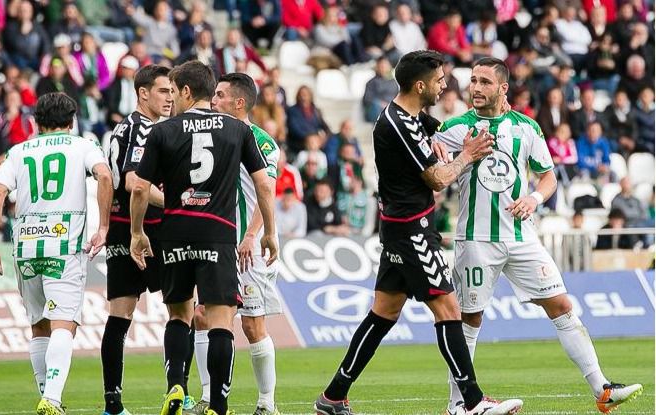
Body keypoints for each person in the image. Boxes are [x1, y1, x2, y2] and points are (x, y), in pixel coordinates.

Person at [313, 50, 522, 415]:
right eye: (440, 81)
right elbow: (439, 179)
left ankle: (333, 395)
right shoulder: (398, 124)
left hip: (400, 226)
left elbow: (425, 127)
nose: (445, 86)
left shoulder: (409, 117)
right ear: (420, 84)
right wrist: (467, 154)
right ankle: (472, 403)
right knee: (447, 306)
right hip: (410, 230)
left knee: (383, 313)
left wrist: (438, 135)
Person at [433, 57, 643, 415]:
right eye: (473, 81)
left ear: (503, 88)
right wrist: (448, 158)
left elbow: (547, 176)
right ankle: (458, 404)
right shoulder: (454, 128)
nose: (476, 88)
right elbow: (434, 168)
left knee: (561, 305)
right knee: (470, 318)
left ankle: (602, 389)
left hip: (521, 236)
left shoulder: (526, 128)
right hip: (476, 238)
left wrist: (533, 198)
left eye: (485, 82)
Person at [128, 61, 278, 415]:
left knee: (180, 315)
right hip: (219, 235)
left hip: (175, 233)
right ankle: (218, 405)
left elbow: (138, 188)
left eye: (174, 90)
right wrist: (269, 231)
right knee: (221, 321)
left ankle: (177, 386)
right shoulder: (238, 131)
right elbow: (264, 185)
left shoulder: (162, 131)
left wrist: (137, 232)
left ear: (185, 91)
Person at [0, 92, 112, 414]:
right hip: (64, 244)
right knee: (64, 322)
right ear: (71, 121)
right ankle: (52, 399)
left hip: (26, 247)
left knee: (39, 325)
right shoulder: (81, 145)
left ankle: (47, 394)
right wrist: (104, 227)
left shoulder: (18, 151)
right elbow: (105, 176)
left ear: (36, 123)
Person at [192, 72, 283, 415]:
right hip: (215, 243)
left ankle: (266, 404)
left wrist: (252, 235)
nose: (213, 100)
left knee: (252, 324)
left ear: (238, 102)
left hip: (249, 247)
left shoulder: (261, 142)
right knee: (203, 317)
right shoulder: (210, 137)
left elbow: (266, 190)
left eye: (219, 95)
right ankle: (207, 396)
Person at [100, 65, 175, 415]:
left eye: (172, 91)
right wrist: (175, 201)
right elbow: (134, 183)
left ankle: (112, 404)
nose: (170, 97)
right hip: (146, 227)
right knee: (182, 309)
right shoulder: (142, 129)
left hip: (120, 225)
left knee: (120, 316)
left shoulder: (122, 128)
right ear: (143, 94)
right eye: (163, 90)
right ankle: (180, 391)